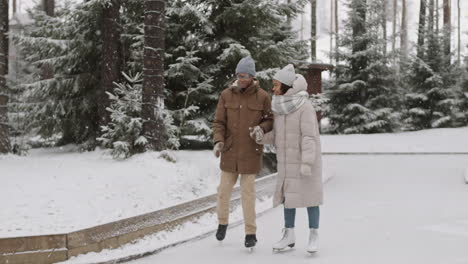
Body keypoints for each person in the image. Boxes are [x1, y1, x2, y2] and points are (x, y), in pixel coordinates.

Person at [251, 64, 323, 253]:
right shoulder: (279, 107)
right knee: (288, 198)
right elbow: (276, 135)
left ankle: (313, 234)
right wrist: (261, 136)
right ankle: (288, 234)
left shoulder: (304, 107)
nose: (273, 89)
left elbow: (309, 137)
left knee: (310, 198)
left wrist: (307, 162)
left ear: (286, 86)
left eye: (275, 85)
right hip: (286, 162)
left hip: (304, 162)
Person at [212, 56, 274, 248]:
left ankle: (250, 233)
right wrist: (218, 141)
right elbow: (219, 122)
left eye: (245, 75)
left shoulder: (263, 96)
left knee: (248, 194)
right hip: (229, 151)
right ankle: (222, 223)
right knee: (223, 192)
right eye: (239, 75)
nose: (242, 78)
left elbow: (270, 119)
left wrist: (261, 129)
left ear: (252, 76)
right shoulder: (226, 95)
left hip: (251, 152)